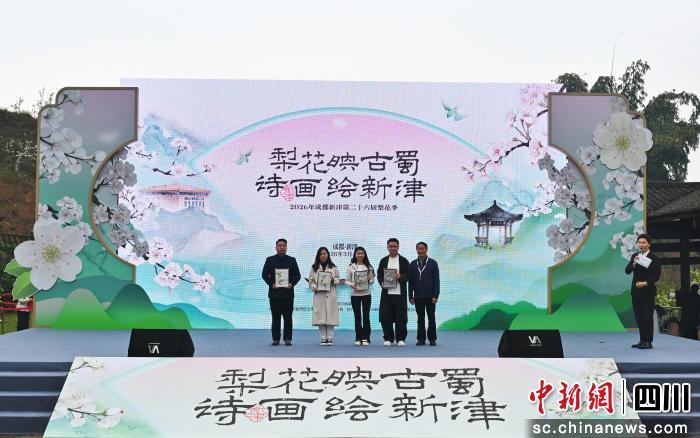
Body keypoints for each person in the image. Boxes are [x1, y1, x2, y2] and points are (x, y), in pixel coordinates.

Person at [625, 233, 661, 349]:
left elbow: (656, 276)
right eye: (639, 242)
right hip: (636, 292)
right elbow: (627, 271)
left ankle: (648, 341)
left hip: (648, 292)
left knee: (647, 317)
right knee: (639, 317)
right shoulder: (635, 256)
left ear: (649, 244)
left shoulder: (654, 258)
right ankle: (642, 340)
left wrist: (645, 283)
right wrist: (634, 263)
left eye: (644, 242)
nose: (641, 244)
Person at [262, 239, 301, 346]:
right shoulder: (270, 260)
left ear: (286, 247)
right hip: (274, 294)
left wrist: (291, 284)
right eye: (280, 245)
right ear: (276, 247)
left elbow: (298, 275)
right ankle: (275, 339)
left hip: (288, 294)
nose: (282, 247)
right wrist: (271, 284)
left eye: (284, 245)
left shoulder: (292, 260)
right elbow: (264, 275)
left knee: (288, 318)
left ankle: (288, 339)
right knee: (275, 317)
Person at [377, 238, 411, 346]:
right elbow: (379, 275)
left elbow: (409, 275)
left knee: (401, 317)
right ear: (387, 247)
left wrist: (401, 276)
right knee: (386, 316)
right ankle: (388, 338)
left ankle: (401, 338)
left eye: (395, 246)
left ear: (398, 247)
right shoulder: (383, 260)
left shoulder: (404, 260)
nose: (393, 248)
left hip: (400, 294)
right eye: (390, 246)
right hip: (387, 294)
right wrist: (382, 283)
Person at [409, 242, 440, 346]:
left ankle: (432, 339)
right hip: (418, 296)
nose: (420, 251)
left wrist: (436, 295)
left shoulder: (433, 263)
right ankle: (421, 339)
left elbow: (436, 281)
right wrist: (410, 296)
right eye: (419, 249)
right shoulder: (413, 264)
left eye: (422, 249)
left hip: (430, 296)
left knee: (431, 318)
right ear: (416, 250)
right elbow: (411, 282)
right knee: (420, 319)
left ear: (426, 250)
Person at [308, 247, 340, 346]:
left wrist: (332, 280)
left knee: (330, 316)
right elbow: (311, 281)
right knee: (320, 317)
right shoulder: (314, 267)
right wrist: (315, 288)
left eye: (325, 253)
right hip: (319, 294)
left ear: (328, 255)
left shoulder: (333, 267)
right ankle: (323, 338)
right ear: (318, 256)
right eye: (321, 254)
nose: (323, 255)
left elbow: (338, 280)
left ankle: (329, 338)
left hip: (330, 294)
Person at [346, 246, 375, 346]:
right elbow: (347, 280)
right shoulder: (351, 267)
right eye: (358, 253)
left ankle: (366, 338)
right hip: (355, 294)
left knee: (366, 316)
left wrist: (369, 280)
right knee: (357, 316)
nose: (360, 255)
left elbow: (372, 280)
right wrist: (352, 285)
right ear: (355, 255)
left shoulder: (369, 267)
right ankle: (358, 337)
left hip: (366, 294)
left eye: (362, 253)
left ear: (364, 255)